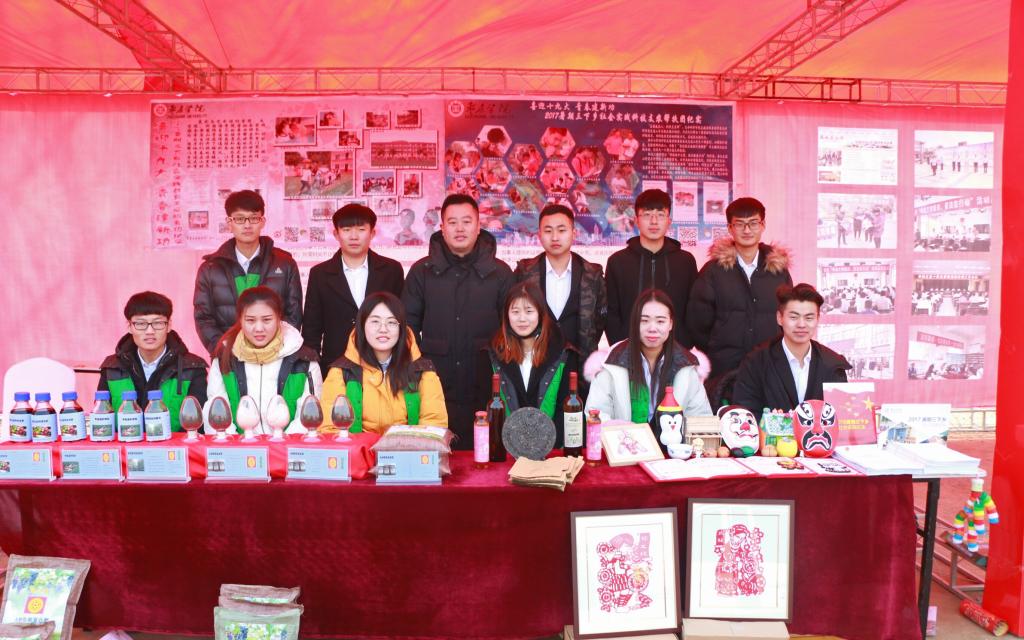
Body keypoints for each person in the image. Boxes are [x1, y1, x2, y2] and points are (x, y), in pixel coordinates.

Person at [402, 193, 514, 448]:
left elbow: (512, 330)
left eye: (466, 221)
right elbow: (407, 328)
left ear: (478, 226)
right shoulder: (422, 271)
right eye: (452, 222)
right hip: (435, 384)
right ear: (442, 228)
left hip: (487, 384)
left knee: (488, 456)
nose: (460, 228)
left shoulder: (500, 273)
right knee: (435, 456)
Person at [686, 197, 792, 398]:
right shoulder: (714, 270)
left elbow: (788, 315)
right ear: (730, 228)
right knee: (725, 413)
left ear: (763, 225)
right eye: (740, 224)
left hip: (769, 364)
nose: (747, 230)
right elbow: (697, 319)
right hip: (723, 367)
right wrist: (718, 348)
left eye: (753, 223)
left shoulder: (778, 271)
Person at [586, 289, 712, 443]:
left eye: (660, 321)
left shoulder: (687, 365)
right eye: (644, 321)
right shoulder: (611, 363)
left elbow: (700, 419)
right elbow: (596, 415)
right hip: (625, 449)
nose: (652, 328)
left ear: (671, 324)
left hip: (671, 453)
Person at [319, 293, 447, 435]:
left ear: (401, 328)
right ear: (362, 325)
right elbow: (330, 430)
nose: (383, 329)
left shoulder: (422, 372)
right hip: (359, 449)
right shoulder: (341, 372)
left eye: (391, 322)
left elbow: (433, 427)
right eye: (375, 321)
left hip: (408, 448)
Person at [194, 190, 303, 356]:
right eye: (239, 219)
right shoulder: (210, 269)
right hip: (229, 358)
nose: (247, 225)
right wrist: (224, 351)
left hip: (275, 357)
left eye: (253, 218)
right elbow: (204, 318)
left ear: (262, 221)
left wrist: (275, 350)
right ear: (229, 222)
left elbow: (293, 315)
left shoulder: (285, 263)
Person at [303, 204, 404, 376]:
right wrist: (313, 370)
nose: (354, 236)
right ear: (336, 234)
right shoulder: (319, 274)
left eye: (361, 229)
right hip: (336, 365)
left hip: (384, 364)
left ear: (372, 233)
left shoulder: (391, 270)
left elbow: (401, 320)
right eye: (347, 230)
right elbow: (312, 328)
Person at [476, 283, 580, 447]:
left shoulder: (563, 354)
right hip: (504, 452)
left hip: (550, 452)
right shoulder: (491, 355)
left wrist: (547, 449)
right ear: (506, 315)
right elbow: (484, 409)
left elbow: (565, 411)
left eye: (529, 311)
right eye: (515, 312)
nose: (522, 319)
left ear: (540, 314)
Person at [206, 287, 322, 434]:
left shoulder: (304, 360)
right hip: (237, 446)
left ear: (279, 318)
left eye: (267, 320)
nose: (259, 328)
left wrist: (280, 443)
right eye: (250, 320)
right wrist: (237, 444)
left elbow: (308, 417)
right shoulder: (225, 357)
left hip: (288, 447)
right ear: (240, 320)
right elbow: (216, 411)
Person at [732, 283, 852, 419]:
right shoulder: (756, 362)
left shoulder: (833, 365)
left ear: (818, 319)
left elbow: (841, 417)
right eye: (794, 317)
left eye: (809, 318)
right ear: (780, 318)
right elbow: (745, 413)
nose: (801, 324)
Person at [98, 291, 208, 430]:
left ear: (169, 325)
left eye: (158, 323)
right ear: (129, 327)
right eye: (140, 323)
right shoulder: (112, 368)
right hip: (126, 442)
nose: (149, 331)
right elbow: (102, 421)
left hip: (175, 444)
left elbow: (198, 425)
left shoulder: (191, 368)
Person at [514, 204, 607, 364]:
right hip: (535, 363)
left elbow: (599, 321)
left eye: (562, 230)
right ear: (539, 235)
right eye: (548, 231)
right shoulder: (524, 273)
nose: (555, 237)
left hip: (580, 363)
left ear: (574, 233)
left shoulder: (592, 274)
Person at [605, 189, 698, 346]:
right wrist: (620, 345)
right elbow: (610, 311)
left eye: (660, 215)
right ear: (636, 220)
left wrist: (685, 344)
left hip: (676, 350)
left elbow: (694, 309)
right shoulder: (618, 262)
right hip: (629, 350)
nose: (654, 222)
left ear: (669, 221)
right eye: (647, 215)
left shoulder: (685, 261)